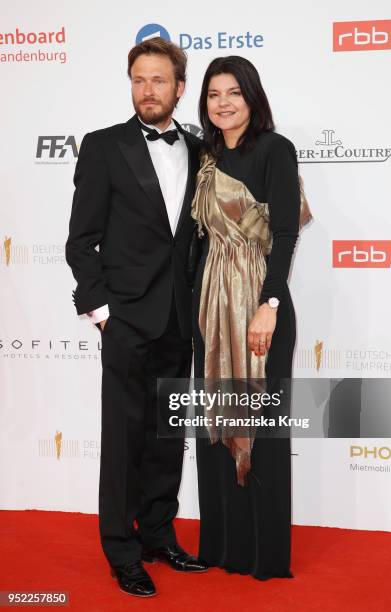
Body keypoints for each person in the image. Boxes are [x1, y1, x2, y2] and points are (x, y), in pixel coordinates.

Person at [66, 37, 207, 599]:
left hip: (180, 317)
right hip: (125, 320)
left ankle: (156, 535)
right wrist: (102, 312)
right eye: (138, 79)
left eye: (158, 80)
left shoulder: (199, 151)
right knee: (123, 441)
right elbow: (81, 241)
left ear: (178, 87)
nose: (147, 91)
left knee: (167, 438)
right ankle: (121, 552)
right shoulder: (103, 147)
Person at [191, 55, 311, 580]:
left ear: (252, 97)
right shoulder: (206, 157)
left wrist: (270, 305)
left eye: (233, 92)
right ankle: (221, 547)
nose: (223, 103)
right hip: (211, 306)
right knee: (216, 424)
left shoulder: (275, 151)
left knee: (261, 428)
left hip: (260, 302)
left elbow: (285, 234)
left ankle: (262, 554)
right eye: (214, 94)